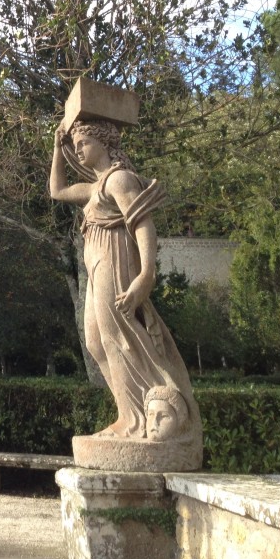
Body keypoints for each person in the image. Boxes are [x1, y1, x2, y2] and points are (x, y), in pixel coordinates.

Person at [49, 118, 198, 442]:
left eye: (84, 142)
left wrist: (146, 274)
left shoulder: (119, 180)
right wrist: (57, 147)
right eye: (76, 145)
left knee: (120, 336)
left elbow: (143, 223)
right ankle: (129, 413)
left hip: (115, 264)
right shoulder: (93, 188)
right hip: (97, 267)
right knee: (95, 342)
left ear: (105, 143)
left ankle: (142, 417)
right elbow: (57, 190)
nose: (78, 149)